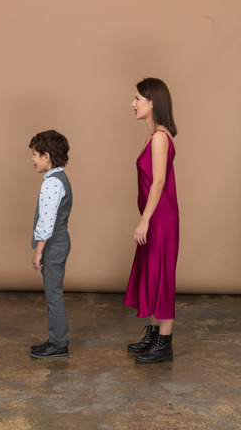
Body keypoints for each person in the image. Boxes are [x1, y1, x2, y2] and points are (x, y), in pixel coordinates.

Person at [123, 77, 179, 364]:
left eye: (137, 99)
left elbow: (158, 182)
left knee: (162, 275)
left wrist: (144, 219)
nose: (132, 104)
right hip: (155, 216)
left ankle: (164, 344)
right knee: (154, 273)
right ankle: (155, 335)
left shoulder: (159, 137)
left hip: (160, 218)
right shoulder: (154, 135)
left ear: (152, 102)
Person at [28, 130, 72, 359]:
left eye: (35, 154)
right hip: (59, 242)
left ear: (47, 156)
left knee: (53, 294)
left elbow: (47, 220)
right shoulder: (60, 179)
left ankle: (58, 344)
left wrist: (38, 250)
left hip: (53, 245)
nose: (33, 160)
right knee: (53, 293)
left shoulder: (52, 184)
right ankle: (55, 339)